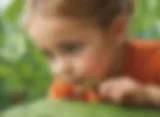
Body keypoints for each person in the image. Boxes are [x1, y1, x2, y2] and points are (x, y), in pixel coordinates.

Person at [23, 0, 160, 106]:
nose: (60, 68)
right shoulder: (66, 89)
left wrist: (147, 95)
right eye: (49, 55)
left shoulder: (155, 60)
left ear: (118, 30)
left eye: (72, 48)